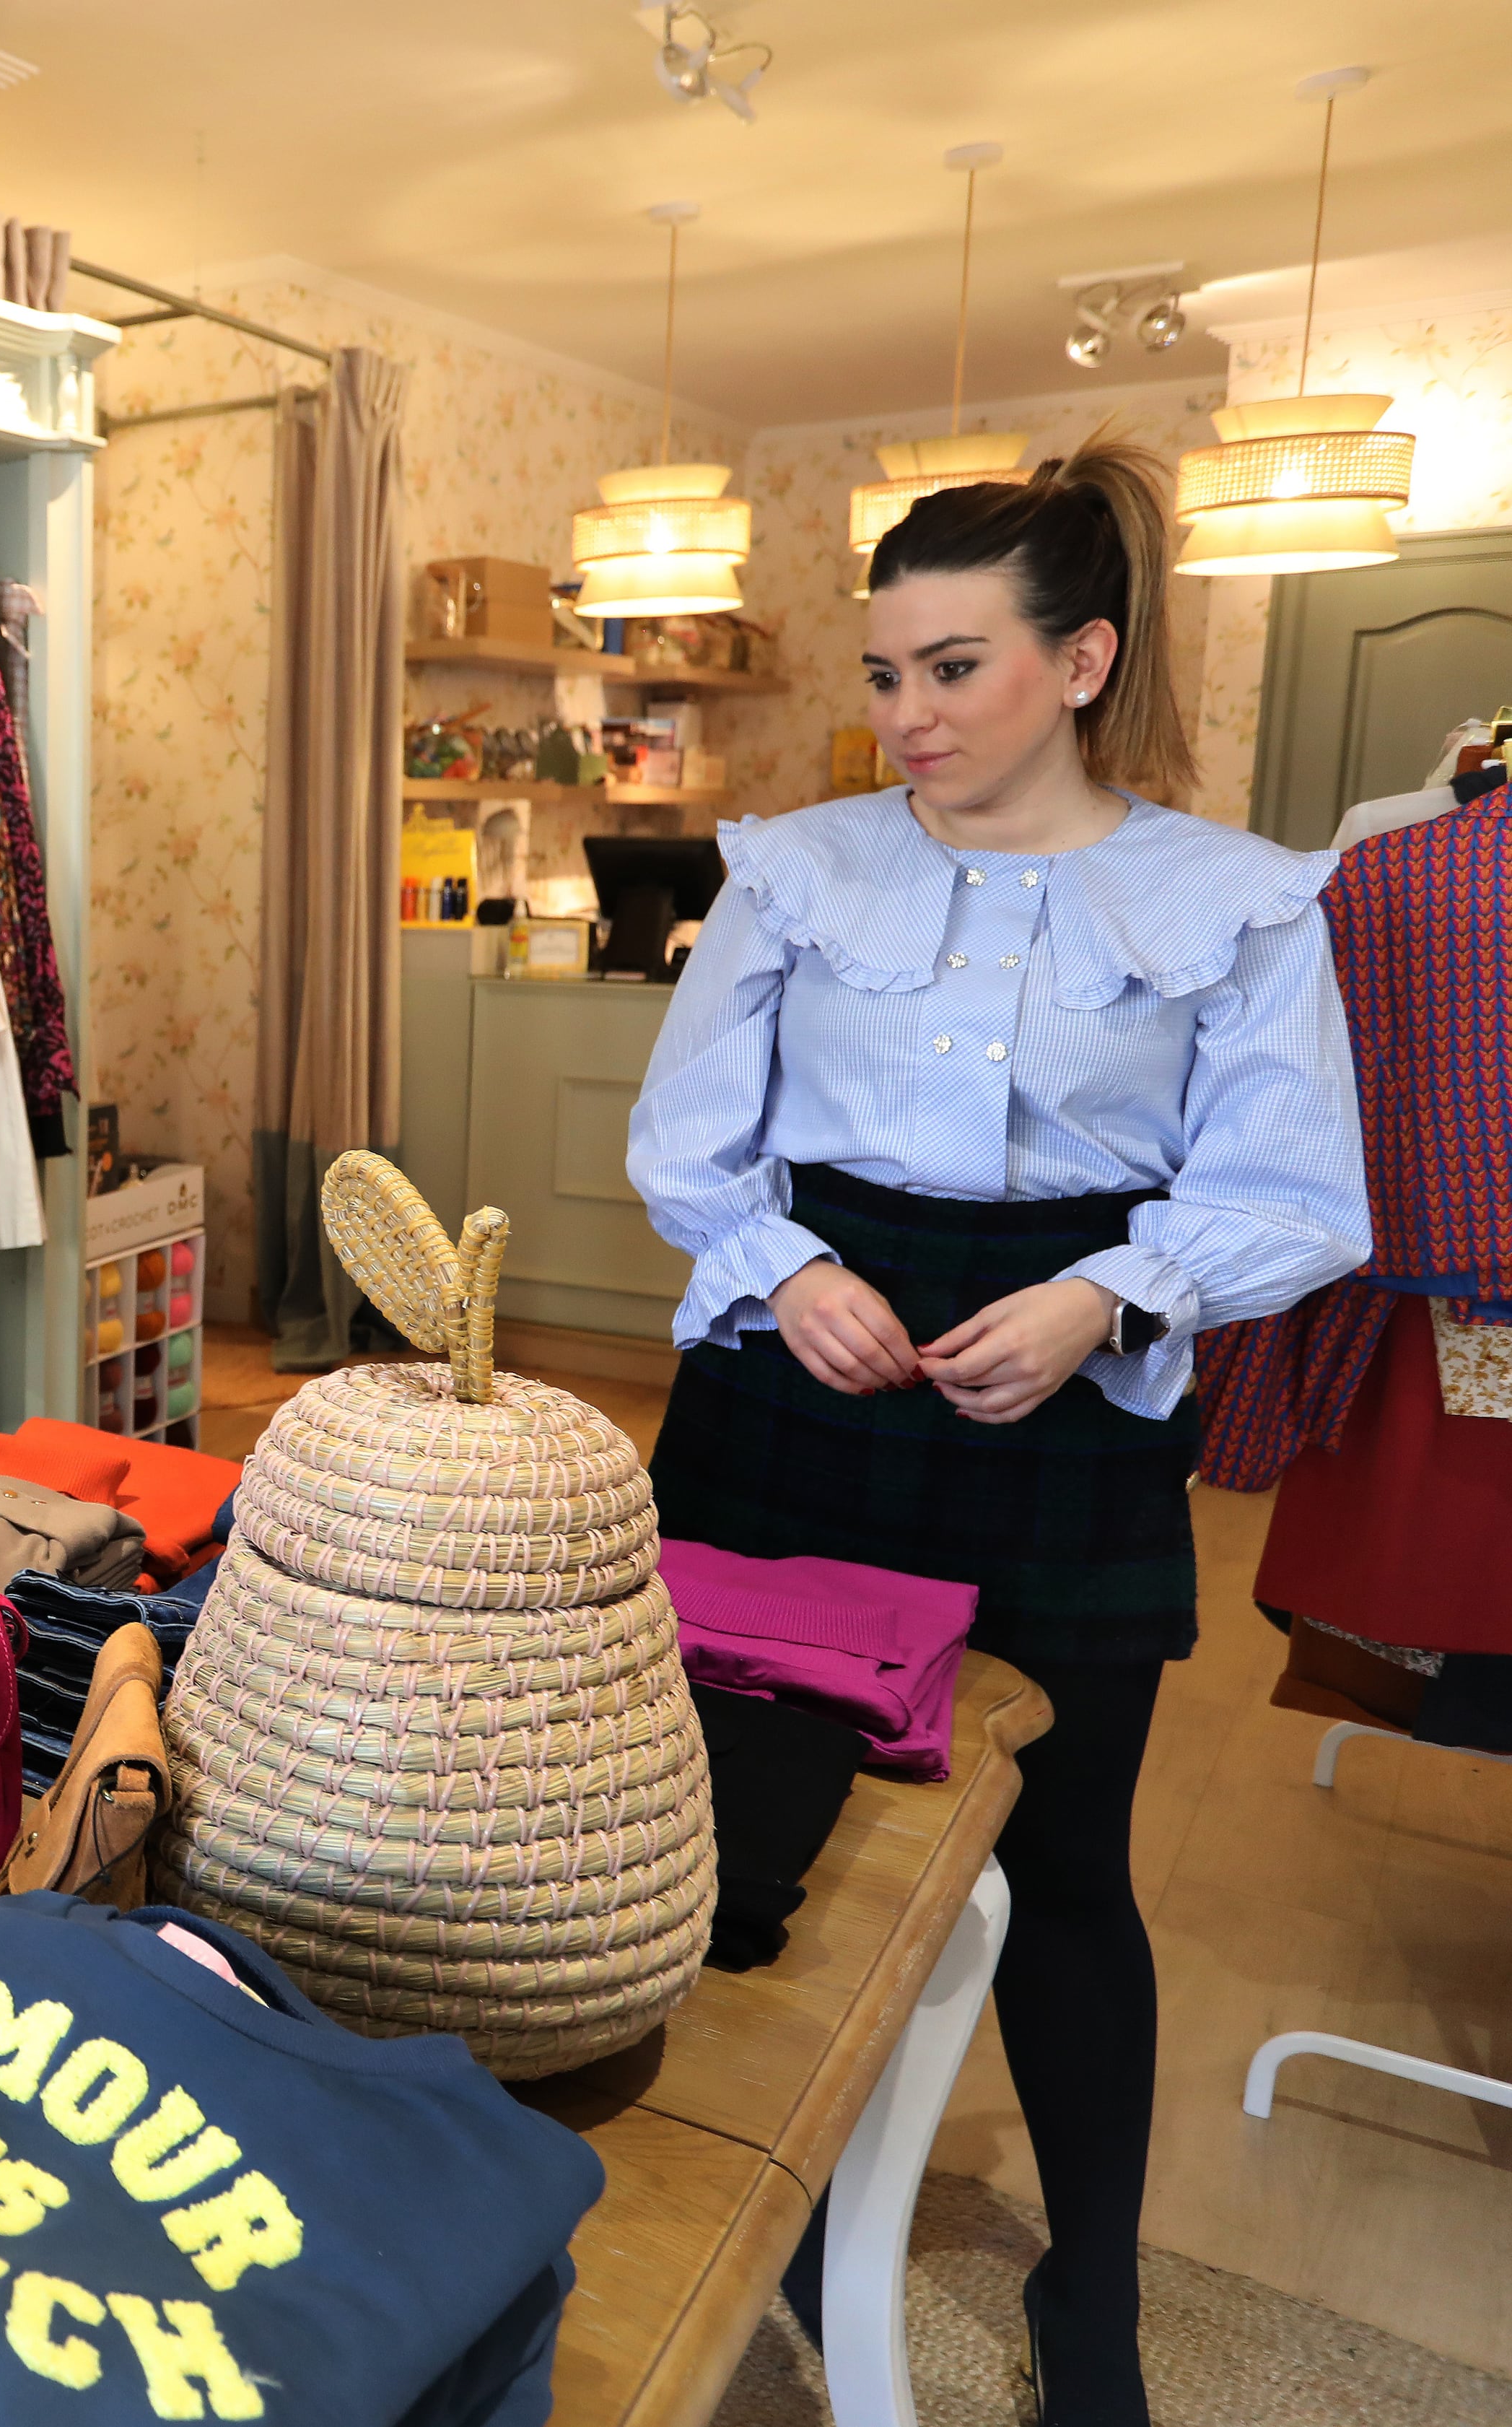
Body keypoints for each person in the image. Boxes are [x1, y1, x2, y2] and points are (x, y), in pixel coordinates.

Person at [625, 437, 1366, 2425]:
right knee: (750, 1812)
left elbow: (1300, 1187)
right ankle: (751, 2204)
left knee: (1064, 1856)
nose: (905, 717)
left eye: (953, 668)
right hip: (799, 1378)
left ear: (1086, 657)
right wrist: (782, 1269)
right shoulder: (797, 862)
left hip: (1060, 1381)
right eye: (886, 674)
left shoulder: (1237, 897)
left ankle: (1095, 2301)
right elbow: (688, 1138)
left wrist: (1108, 1296)